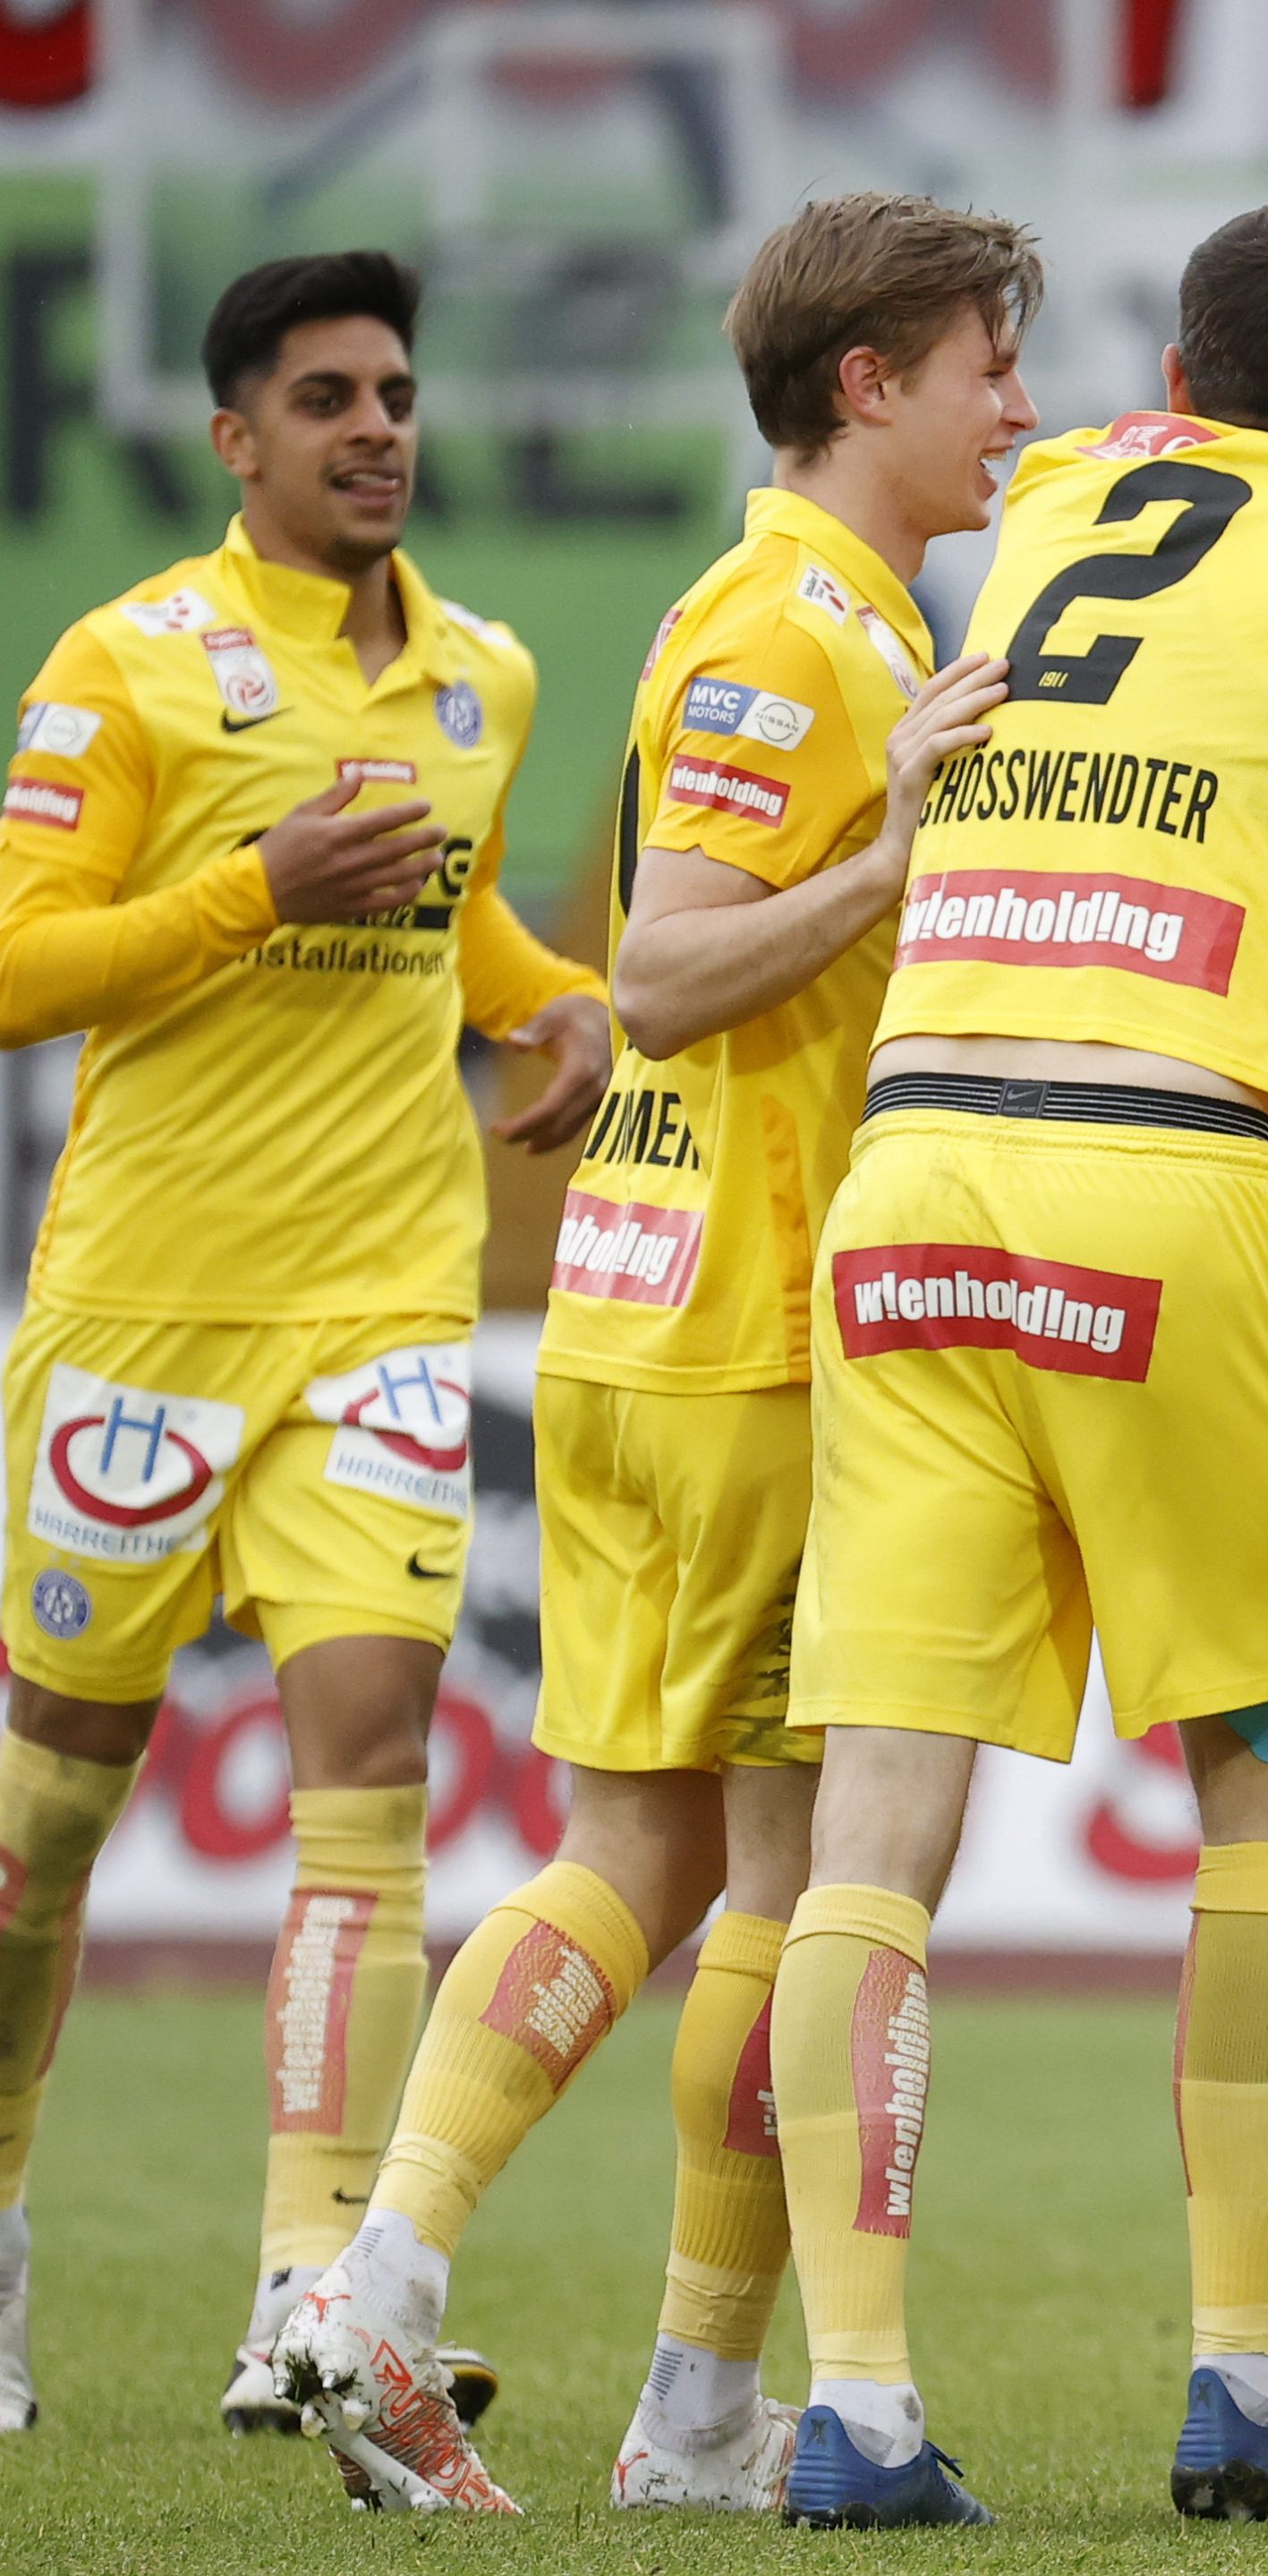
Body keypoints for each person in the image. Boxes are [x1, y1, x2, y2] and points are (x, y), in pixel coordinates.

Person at [770, 200, 1268, 2530]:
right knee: (1264, 1779)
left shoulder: (1047, 495)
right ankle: (1243, 2369)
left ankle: (857, 2408)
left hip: (915, 1178)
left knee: (873, 1836)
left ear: (1174, 357)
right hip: (1161, 1164)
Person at [270, 195, 1034, 2517]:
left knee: (722, 1866)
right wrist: (900, 856)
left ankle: (682, 2411)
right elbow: (677, 962)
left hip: (671, 1309)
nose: (1019, 401)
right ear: (866, 383)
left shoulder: (848, 616)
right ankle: (381, 2292)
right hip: (745, 1343)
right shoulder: (791, 626)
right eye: (985, 361)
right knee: (693, 1866)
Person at [0, 251, 609, 2440]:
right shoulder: (126, 668)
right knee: (46, 1829)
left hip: (380, 1306)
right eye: (326, 398)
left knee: (366, 1790)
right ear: (237, 439)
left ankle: (304, 2285)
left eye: (397, 393)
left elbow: (454, 907)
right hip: (142, 1323)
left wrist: (542, 999)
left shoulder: (488, 673)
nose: (377, 428)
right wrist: (259, 890)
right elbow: (17, 967)